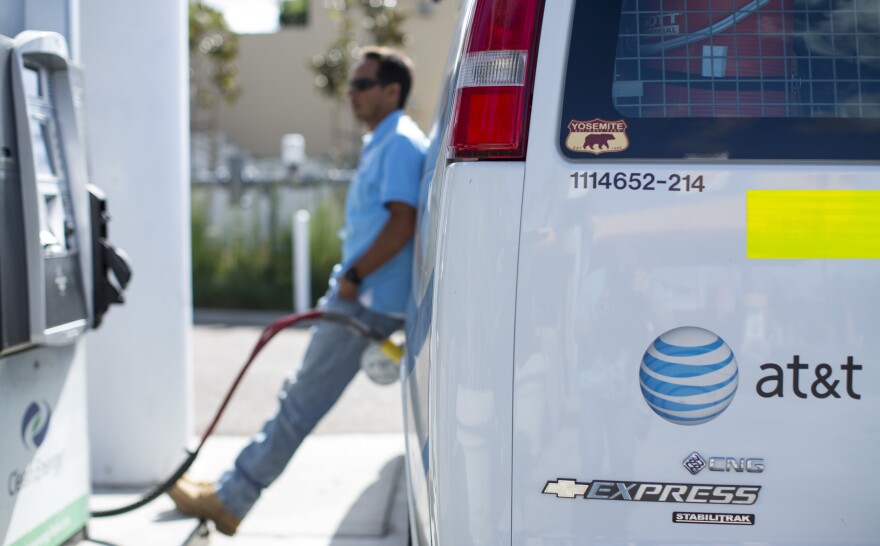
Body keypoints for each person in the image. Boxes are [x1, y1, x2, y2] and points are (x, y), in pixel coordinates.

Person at [168, 46, 428, 536]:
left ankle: (231, 497)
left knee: (299, 402)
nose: (350, 93)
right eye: (351, 84)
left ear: (392, 90)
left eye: (362, 84)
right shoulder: (387, 140)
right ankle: (231, 489)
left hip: (365, 303)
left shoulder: (398, 143)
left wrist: (353, 279)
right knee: (298, 398)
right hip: (364, 299)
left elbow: (402, 222)